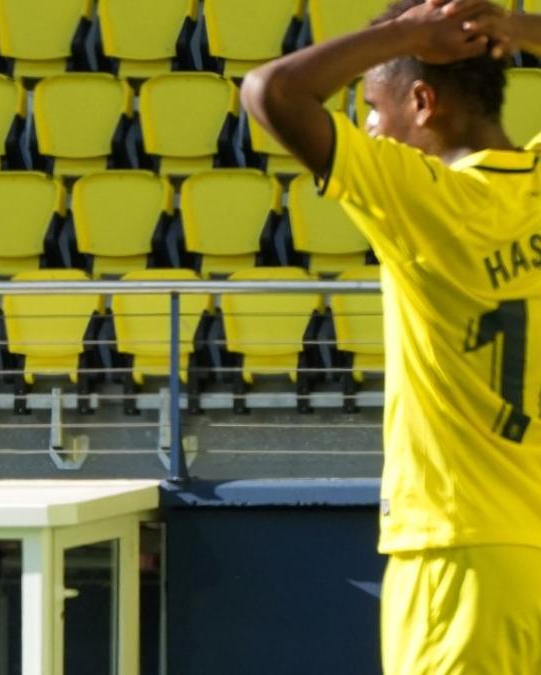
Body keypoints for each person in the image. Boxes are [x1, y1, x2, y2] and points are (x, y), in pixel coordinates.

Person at [242, 1, 541, 672]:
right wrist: (515, 29)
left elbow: (271, 92)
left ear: (423, 102)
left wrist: (404, 35)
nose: (370, 129)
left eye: (375, 108)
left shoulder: (422, 197)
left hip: (456, 556)